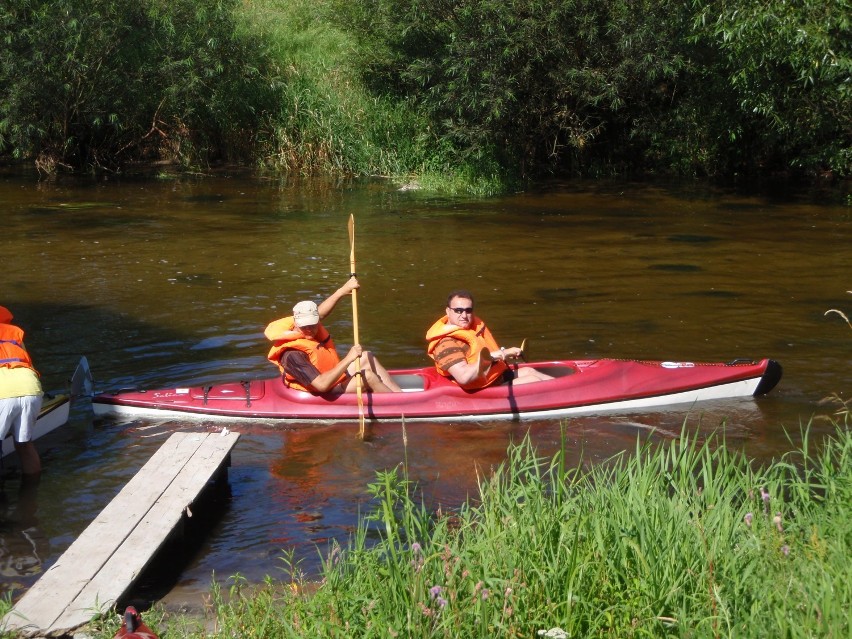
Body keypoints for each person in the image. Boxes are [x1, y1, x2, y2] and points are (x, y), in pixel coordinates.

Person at [265, 277, 402, 394]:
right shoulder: (292, 354)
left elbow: (321, 313)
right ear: (295, 323)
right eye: (304, 326)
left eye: (313, 324)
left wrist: (342, 291)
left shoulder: (312, 327)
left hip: (331, 377)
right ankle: (400, 408)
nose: (309, 329)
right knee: (367, 377)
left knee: (366, 356)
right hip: (323, 390)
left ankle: (401, 397)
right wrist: (349, 358)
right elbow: (322, 386)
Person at [425, 290, 554, 390]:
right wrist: (495, 356)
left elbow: (480, 354)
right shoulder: (445, 344)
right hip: (482, 390)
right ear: (448, 311)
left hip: (495, 378)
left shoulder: (472, 328)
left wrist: (505, 353)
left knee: (530, 371)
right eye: (458, 311)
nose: (464, 315)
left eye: (468, 311)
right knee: (533, 380)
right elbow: (464, 377)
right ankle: (566, 400)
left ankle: (571, 389)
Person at [0, 305, 43, 476]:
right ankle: (31, 494)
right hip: (30, 388)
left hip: (2, 392)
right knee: (24, 444)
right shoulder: (14, 335)